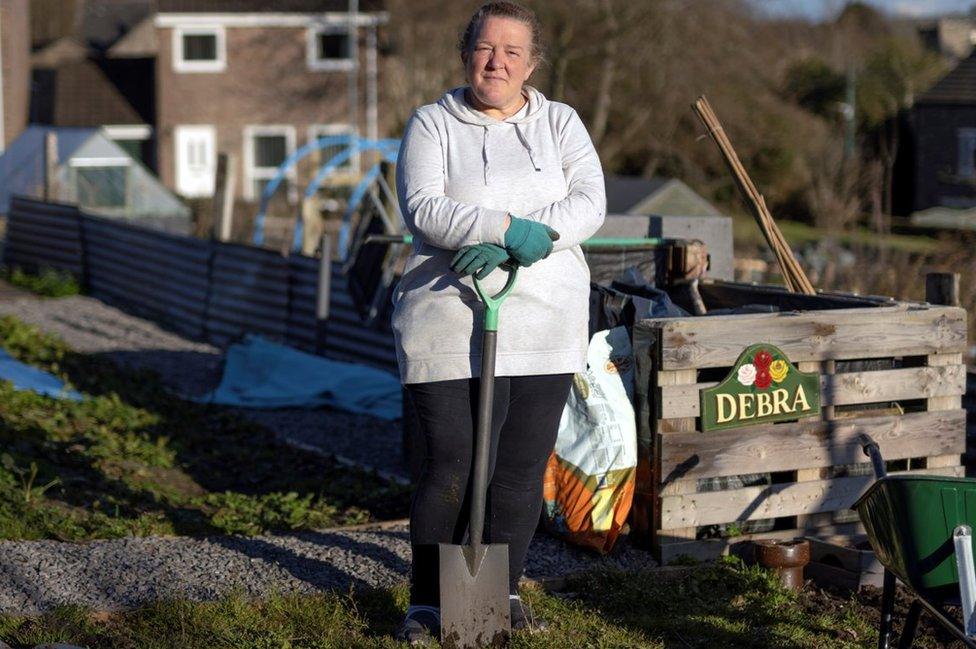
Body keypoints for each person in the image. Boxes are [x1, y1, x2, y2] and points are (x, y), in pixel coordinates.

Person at [392, 1, 606, 643]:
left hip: (544, 323)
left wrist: (537, 238)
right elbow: (424, 206)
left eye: (513, 51)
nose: (498, 62)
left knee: (518, 469)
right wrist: (505, 227)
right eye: (486, 48)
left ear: (532, 63)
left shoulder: (562, 123)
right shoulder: (433, 123)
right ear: (466, 54)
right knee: (454, 461)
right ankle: (430, 601)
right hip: (450, 318)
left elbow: (590, 201)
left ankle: (498, 594)